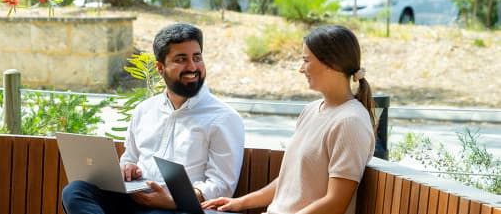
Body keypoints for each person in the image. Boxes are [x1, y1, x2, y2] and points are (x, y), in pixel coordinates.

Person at [61, 23, 246, 214]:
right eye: (181, 59)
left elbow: (222, 185)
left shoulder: (224, 118)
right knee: (75, 191)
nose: (192, 66)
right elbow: (130, 157)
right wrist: (128, 168)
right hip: (135, 198)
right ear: (160, 67)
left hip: (178, 208)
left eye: (197, 58)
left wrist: (175, 200)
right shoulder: (144, 110)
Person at [201, 25, 376, 214]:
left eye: (306, 60)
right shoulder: (311, 110)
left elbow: (335, 203)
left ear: (331, 63)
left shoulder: (351, 122)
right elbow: (289, 182)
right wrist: (239, 203)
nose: (301, 69)